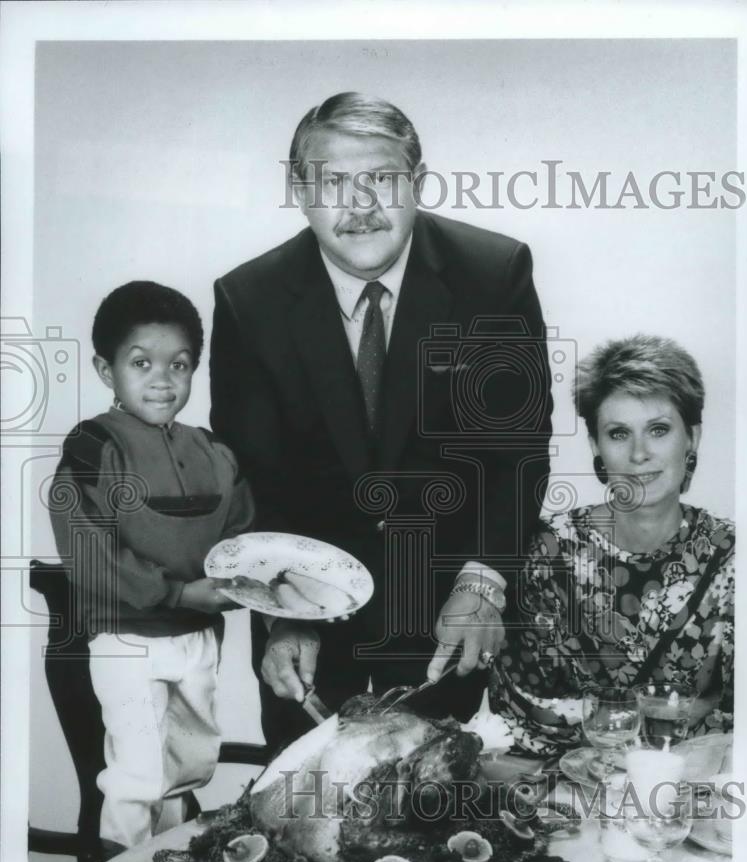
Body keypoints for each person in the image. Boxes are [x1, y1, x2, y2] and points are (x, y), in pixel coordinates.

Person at [210, 92, 552, 748]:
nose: (360, 205)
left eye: (383, 180)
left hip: (453, 610)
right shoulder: (247, 300)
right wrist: (284, 612)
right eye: (335, 182)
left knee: (443, 819)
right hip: (304, 621)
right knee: (301, 825)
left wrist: (483, 584)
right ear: (298, 188)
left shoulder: (493, 275)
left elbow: (520, 452)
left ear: (418, 184)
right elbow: (254, 477)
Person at [50, 281, 255, 850]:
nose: (163, 378)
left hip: (198, 641)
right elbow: (88, 548)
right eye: (141, 363)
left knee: (189, 766)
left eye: (180, 364)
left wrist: (240, 581)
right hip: (128, 638)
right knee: (137, 776)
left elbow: (241, 531)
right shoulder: (93, 446)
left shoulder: (215, 450)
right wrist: (179, 593)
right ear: (105, 368)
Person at [489, 334, 734, 754]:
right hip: (568, 793)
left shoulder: (736, 555)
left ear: (691, 437)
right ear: (595, 448)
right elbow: (525, 713)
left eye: (659, 430)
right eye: (619, 433)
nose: (640, 454)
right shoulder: (548, 552)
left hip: (697, 794)